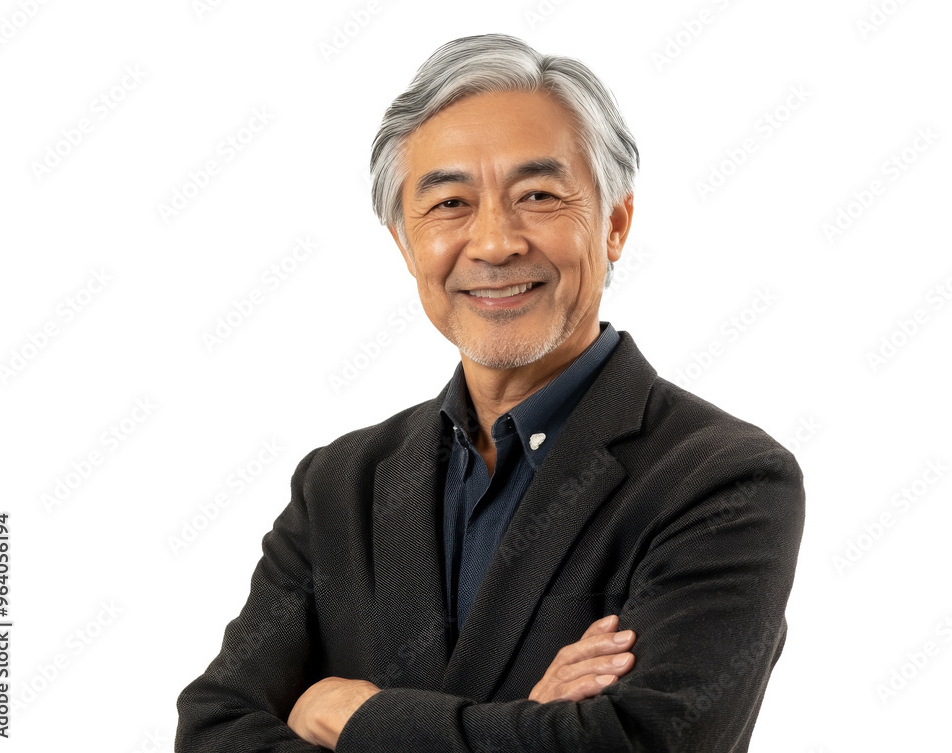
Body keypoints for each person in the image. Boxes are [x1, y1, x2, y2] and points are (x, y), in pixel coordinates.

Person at [175, 33, 804, 752]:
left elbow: (639, 743)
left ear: (616, 224)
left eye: (537, 195)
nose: (496, 242)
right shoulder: (340, 484)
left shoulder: (722, 479)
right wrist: (527, 721)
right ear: (405, 243)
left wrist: (348, 713)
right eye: (449, 203)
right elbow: (213, 729)